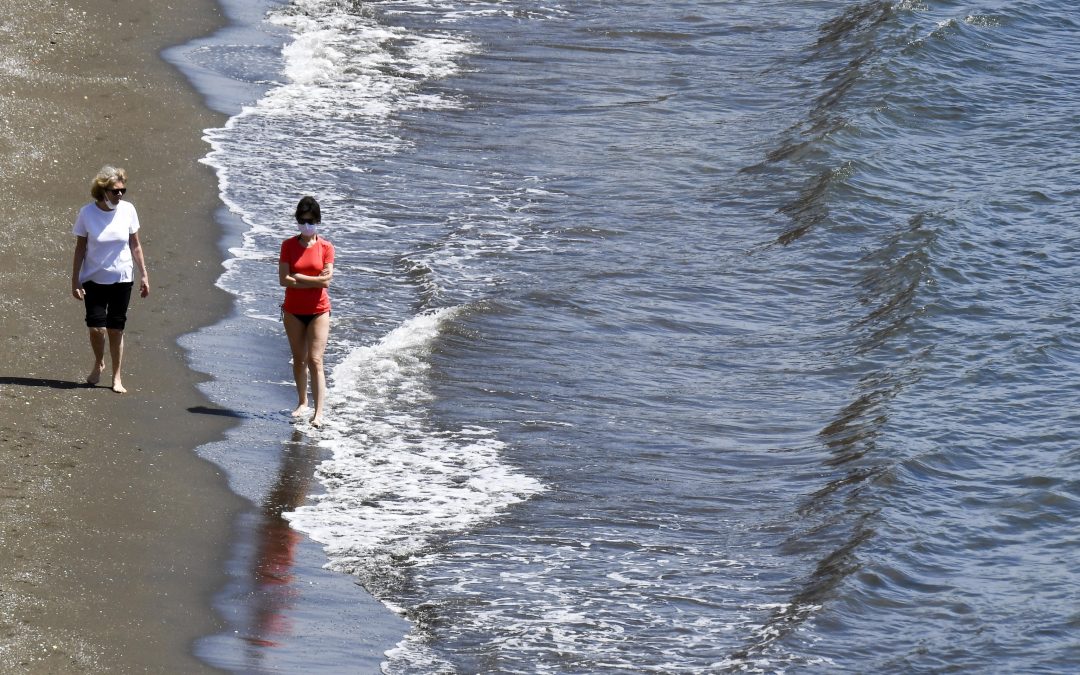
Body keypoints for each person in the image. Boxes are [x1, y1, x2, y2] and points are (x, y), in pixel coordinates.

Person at [71, 165, 150, 393]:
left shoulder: (128, 210)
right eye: (115, 191)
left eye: (122, 190)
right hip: (94, 279)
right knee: (96, 329)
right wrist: (74, 279)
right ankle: (99, 362)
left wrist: (144, 274)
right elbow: (80, 248)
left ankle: (116, 376)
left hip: (122, 278)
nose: (119, 195)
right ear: (102, 190)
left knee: (116, 329)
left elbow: (135, 244)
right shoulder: (87, 213)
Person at [278, 196, 334, 427]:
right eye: (302, 220)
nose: (306, 225)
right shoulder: (288, 246)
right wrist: (312, 279)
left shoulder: (326, 247)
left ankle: (318, 412)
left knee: (315, 360)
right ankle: (302, 402)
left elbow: (326, 282)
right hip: (293, 311)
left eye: (310, 221)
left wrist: (298, 277)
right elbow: (284, 280)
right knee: (299, 359)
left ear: (318, 221)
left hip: (319, 310)